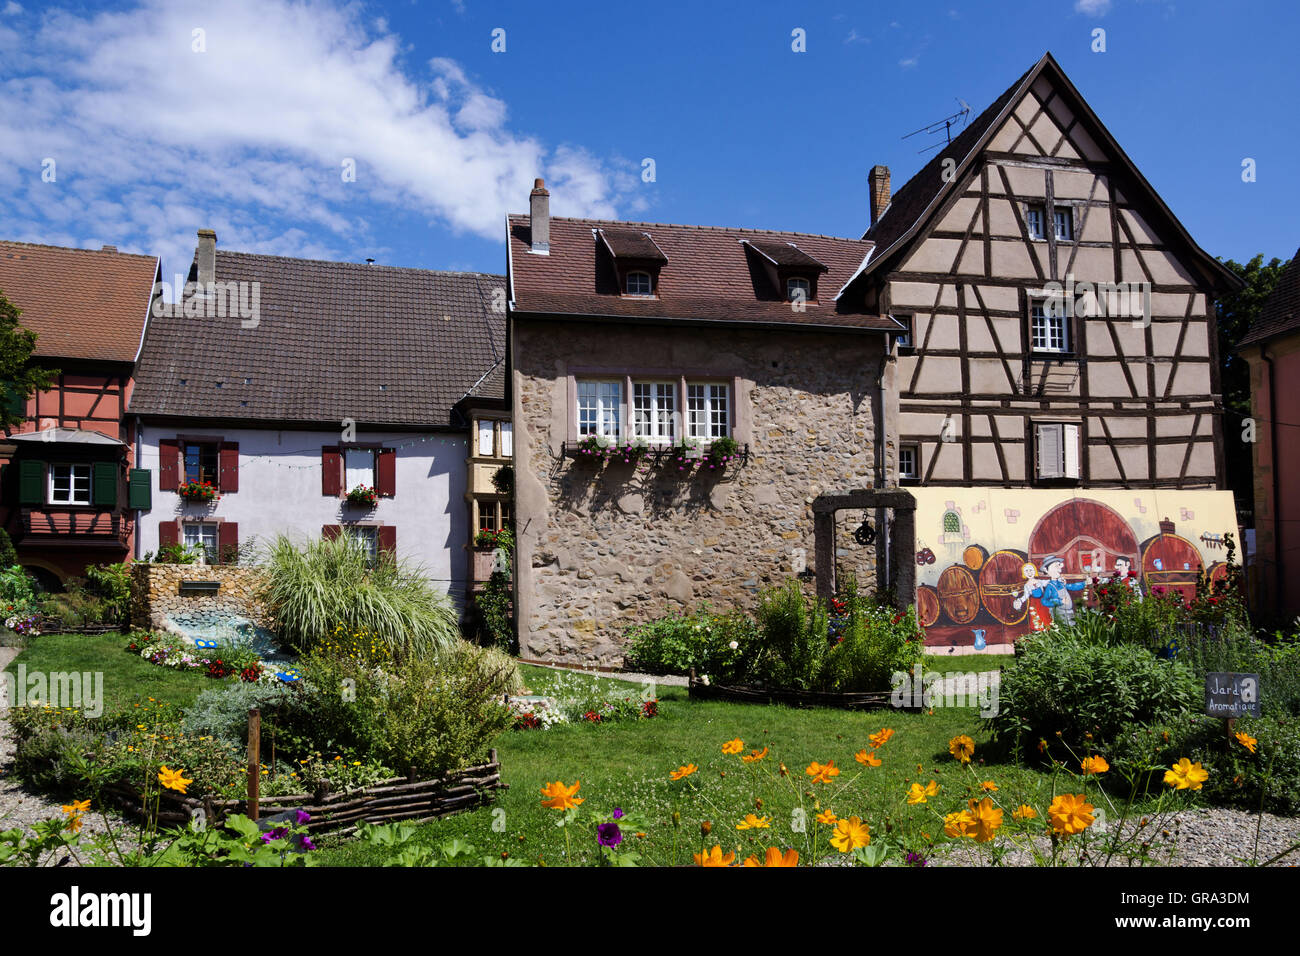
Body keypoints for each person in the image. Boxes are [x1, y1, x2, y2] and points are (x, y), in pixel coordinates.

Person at [1013, 555, 1087, 624]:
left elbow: (1071, 586)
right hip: (1057, 612)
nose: (1059, 569)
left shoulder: (1058, 583)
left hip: (1069, 612)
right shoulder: (1048, 586)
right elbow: (1043, 600)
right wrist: (1060, 601)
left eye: (1059, 566)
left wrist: (1085, 583)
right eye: (1055, 566)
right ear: (1046, 570)